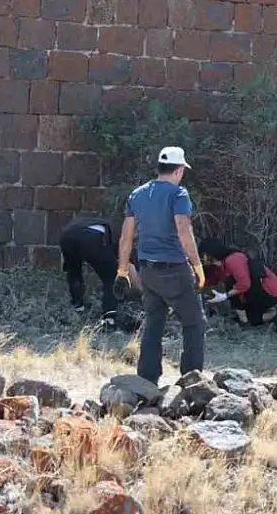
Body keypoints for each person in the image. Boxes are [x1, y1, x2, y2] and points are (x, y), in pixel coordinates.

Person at [116, 147, 207, 385]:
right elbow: (184, 231)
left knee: (154, 322)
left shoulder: (137, 194)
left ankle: (147, 380)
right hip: (175, 268)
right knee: (193, 322)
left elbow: (126, 237)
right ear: (178, 170)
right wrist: (197, 266)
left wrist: (122, 271)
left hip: (147, 270)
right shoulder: (179, 194)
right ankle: (191, 381)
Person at [58, 216, 140, 328]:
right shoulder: (122, 237)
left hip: (67, 235)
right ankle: (109, 319)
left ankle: (78, 308)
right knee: (112, 277)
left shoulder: (100, 223)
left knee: (74, 272)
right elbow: (132, 265)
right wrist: (144, 292)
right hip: (91, 236)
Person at [198, 237, 277, 333]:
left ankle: (249, 319)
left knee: (230, 283)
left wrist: (225, 296)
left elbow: (244, 284)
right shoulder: (218, 266)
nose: (202, 258)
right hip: (255, 290)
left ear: (211, 253)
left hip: (268, 290)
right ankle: (270, 314)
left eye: (204, 255)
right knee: (252, 319)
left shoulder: (233, 259)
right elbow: (211, 281)